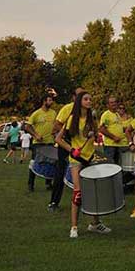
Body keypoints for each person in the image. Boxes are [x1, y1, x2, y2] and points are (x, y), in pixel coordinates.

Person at [55, 89, 110, 238]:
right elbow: (58, 139)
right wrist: (71, 150)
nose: (89, 101)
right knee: (78, 193)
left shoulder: (92, 118)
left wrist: (95, 135)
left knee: (94, 191)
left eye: (90, 99)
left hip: (91, 158)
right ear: (80, 101)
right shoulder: (72, 118)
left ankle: (95, 223)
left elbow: (97, 137)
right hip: (77, 160)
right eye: (86, 99)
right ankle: (74, 227)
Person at [47, 96, 75, 212]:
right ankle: (54, 202)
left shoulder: (88, 111)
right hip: (66, 146)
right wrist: (68, 135)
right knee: (60, 172)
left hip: (81, 148)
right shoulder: (67, 109)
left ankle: (84, 203)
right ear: (74, 97)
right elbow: (56, 126)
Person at [25, 93, 56, 192]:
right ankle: (30, 184)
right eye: (49, 100)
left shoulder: (54, 113)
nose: (51, 102)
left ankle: (48, 184)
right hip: (38, 144)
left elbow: (56, 126)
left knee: (51, 163)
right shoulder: (36, 113)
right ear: (44, 101)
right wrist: (35, 135)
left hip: (50, 142)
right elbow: (27, 127)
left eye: (52, 100)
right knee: (35, 162)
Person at [99, 96, 127, 165]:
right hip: (110, 145)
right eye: (111, 102)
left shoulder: (117, 114)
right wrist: (113, 137)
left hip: (119, 145)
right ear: (108, 105)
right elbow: (102, 129)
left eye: (115, 102)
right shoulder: (107, 115)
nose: (114, 104)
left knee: (117, 165)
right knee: (110, 165)